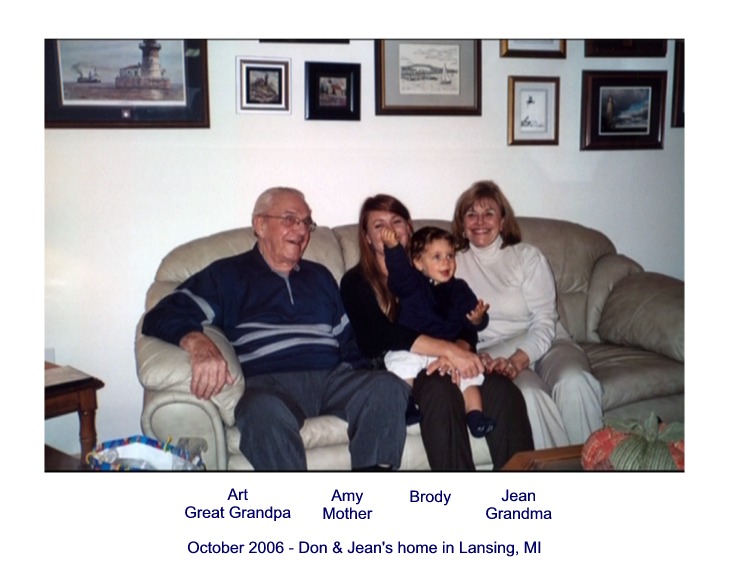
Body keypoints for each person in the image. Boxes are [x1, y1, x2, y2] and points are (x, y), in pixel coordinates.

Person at [142, 187, 409, 470]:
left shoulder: (320, 276)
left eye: (306, 222)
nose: (301, 230)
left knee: (387, 387)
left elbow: (348, 342)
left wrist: (372, 377)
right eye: (290, 219)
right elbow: (162, 313)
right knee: (260, 411)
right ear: (260, 225)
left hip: (332, 377)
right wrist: (197, 342)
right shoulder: (228, 274)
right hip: (269, 383)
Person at [340, 194, 534, 470]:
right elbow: (378, 336)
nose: (390, 229)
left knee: (503, 391)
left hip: (448, 358)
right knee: (441, 392)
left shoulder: (436, 275)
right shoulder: (356, 281)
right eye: (379, 225)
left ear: (409, 228)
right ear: (367, 237)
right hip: (398, 370)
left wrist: (460, 353)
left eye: (397, 222)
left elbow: (463, 324)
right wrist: (448, 351)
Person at [453, 180, 603, 446]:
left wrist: (518, 359)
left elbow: (545, 320)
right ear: (462, 224)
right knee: (530, 396)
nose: (480, 221)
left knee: (575, 382)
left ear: (502, 221)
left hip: (549, 341)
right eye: (471, 214)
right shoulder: (450, 263)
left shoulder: (527, 257)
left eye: (489, 213)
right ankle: (554, 468)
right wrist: (472, 355)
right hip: (494, 354)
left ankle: (596, 462)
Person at [380, 225, 495, 437]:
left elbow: (472, 323)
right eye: (437, 257)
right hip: (417, 348)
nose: (446, 262)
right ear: (418, 262)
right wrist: (393, 248)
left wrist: (478, 318)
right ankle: (406, 404)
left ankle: (475, 415)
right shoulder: (413, 284)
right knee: (401, 362)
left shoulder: (459, 288)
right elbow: (399, 275)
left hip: (450, 353)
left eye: (450, 256)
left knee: (470, 376)